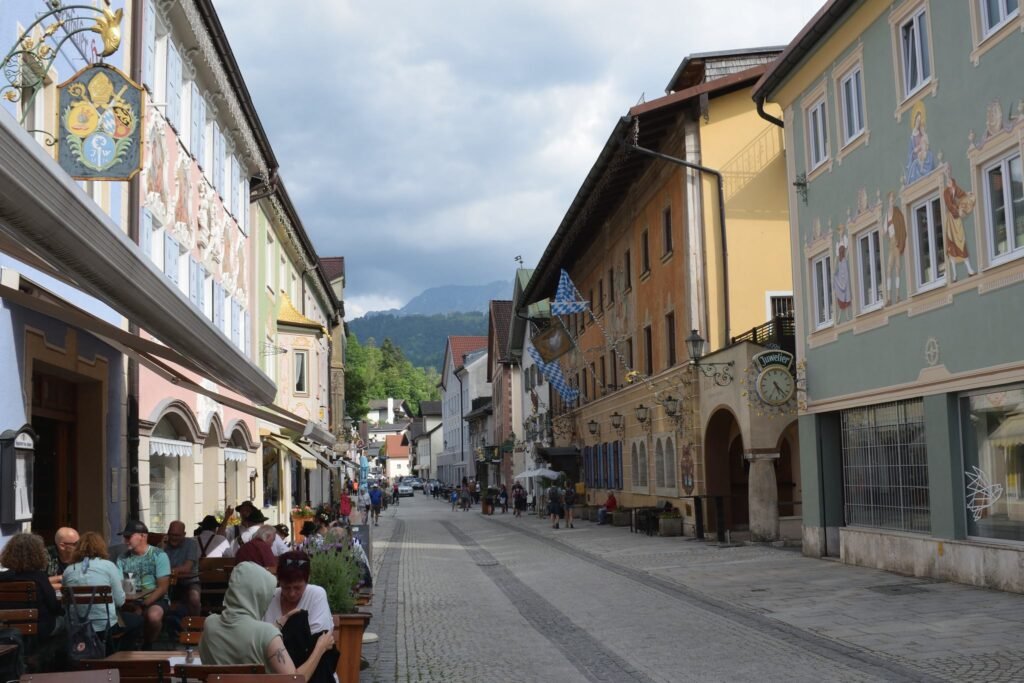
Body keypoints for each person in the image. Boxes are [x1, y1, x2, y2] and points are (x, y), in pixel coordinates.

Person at [199, 561, 334, 678]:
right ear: (258, 595)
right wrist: (320, 648)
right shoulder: (266, 634)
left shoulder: (210, 624)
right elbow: (294, 680)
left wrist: (276, 626)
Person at [116, 520, 171, 649]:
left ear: (143, 536)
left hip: (155, 599)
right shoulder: (122, 558)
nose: (125, 540)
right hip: (129, 600)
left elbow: (162, 587)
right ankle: (128, 648)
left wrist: (143, 604)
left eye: (128, 537)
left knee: (153, 616)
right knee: (120, 618)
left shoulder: (159, 555)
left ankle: (148, 645)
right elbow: (120, 585)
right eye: (124, 537)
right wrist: (130, 604)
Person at [62, 531, 126, 640]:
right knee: (136, 621)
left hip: (77, 626)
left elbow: (65, 604)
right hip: (105, 627)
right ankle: (115, 654)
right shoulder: (108, 566)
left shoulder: (69, 570)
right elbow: (119, 601)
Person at [0, 533, 62, 636]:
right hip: (39, 628)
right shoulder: (39, 577)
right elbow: (53, 606)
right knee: (65, 621)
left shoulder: (3, 578)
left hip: (8, 629)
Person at [262, 551, 332, 637]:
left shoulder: (316, 594)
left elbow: (320, 637)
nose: (292, 593)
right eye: (286, 587)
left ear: (308, 579)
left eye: (297, 588)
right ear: (278, 581)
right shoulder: (270, 597)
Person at [164, 520, 201, 617]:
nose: (173, 538)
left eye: (177, 535)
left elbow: (187, 568)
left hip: (189, 582)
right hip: (168, 583)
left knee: (194, 598)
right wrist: (162, 547)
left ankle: (194, 627)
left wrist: (169, 570)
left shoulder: (191, 544)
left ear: (184, 534)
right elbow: (157, 566)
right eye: (171, 535)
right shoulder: (163, 546)